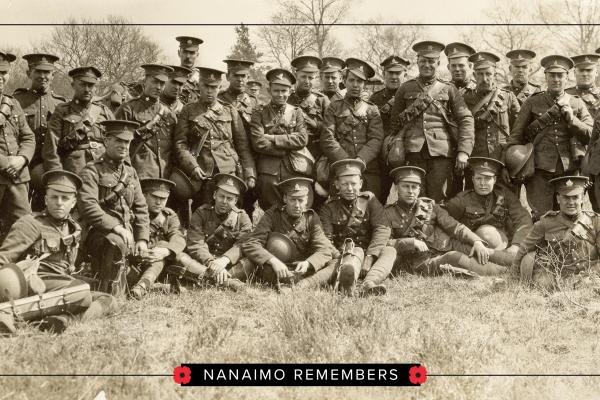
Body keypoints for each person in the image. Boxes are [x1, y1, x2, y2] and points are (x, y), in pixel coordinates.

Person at [0, 170, 117, 335]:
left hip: (62, 282)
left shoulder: (73, 227)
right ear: (46, 199)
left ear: (74, 202)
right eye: (54, 197)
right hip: (36, 282)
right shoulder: (31, 223)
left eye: (65, 198)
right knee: (82, 293)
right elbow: (3, 258)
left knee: (108, 299)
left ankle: (61, 321)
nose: (59, 203)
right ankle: (9, 313)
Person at [506, 55, 593, 221]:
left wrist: (572, 120)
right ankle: (541, 247)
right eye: (552, 75)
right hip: (540, 169)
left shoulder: (576, 103)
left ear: (567, 77)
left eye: (560, 75)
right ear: (545, 76)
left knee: (570, 215)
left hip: (569, 169)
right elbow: (516, 136)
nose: (556, 79)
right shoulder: (532, 102)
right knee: (541, 216)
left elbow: (590, 134)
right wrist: (510, 164)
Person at [388, 41, 475, 203]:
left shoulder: (449, 89)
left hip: (441, 155)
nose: (427, 65)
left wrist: (464, 151)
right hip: (412, 153)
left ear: (439, 63)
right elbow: (395, 123)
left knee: (439, 201)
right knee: (413, 200)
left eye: (431, 61)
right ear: (417, 62)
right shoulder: (405, 89)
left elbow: (466, 119)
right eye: (423, 61)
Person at [385, 166, 507, 276]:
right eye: (405, 186)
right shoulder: (387, 213)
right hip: (420, 261)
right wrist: (410, 242)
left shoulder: (429, 206)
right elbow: (385, 243)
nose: (410, 191)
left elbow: (454, 226)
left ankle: (519, 262)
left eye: (414, 187)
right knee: (453, 257)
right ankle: (507, 272)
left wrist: (477, 241)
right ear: (397, 188)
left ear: (419, 189)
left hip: (443, 246)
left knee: (479, 250)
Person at [78, 120, 150, 297]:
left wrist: (142, 239)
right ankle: (109, 293)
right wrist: (116, 228)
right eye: (119, 141)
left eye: (127, 142)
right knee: (115, 244)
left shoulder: (130, 172)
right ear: (106, 141)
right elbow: (88, 206)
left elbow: (141, 207)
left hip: (128, 232)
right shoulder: (92, 170)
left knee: (158, 252)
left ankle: (140, 284)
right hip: (98, 233)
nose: (124, 146)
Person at [174, 66, 256, 207]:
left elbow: (243, 146)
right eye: (206, 86)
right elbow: (180, 143)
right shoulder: (188, 110)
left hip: (228, 170)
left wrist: (249, 173)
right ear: (199, 85)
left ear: (220, 87)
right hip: (201, 171)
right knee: (202, 213)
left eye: (214, 87)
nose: (210, 91)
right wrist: (192, 166)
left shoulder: (230, 110)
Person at [317, 159, 396, 295]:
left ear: (360, 184)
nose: (349, 188)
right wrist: (339, 255)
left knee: (389, 251)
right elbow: (326, 239)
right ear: (336, 185)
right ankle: (348, 283)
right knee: (353, 256)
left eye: (353, 184)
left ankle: (369, 283)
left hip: (369, 251)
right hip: (346, 254)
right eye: (345, 184)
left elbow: (382, 228)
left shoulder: (369, 200)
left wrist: (371, 255)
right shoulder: (328, 207)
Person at [240, 177, 333, 291]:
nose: (297, 205)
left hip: (302, 269)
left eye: (301, 200)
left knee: (333, 265)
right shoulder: (272, 215)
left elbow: (324, 250)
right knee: (253, 264)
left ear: (307, 200)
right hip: (275, 269)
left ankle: (304, 284)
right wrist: (273, 261)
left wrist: (308, 263)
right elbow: (252, 243)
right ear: (285, 198)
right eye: (293, 199)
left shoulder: (311, 218)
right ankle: (298, 285)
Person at [513, 175, 600, 290]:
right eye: (566, 197)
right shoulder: (545, 223)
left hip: (590, 278)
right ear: (558, 198)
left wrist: (590, 276)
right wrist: (513, 273)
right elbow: (524, 248)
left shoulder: (595, 221)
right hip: (560, 280)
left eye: (575, 197)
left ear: (582, 198)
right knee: (542, 283)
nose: (571, 202)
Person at [444, 157, 532, 259]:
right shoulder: (462, 199)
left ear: (494, 179)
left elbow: (523, 219)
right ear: (472, 179)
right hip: (473, 247)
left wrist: (516, 245)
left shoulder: (505, 195)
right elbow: (444, 217)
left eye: (487, 179)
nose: (482, 183)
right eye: (479, 178)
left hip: (503, 245)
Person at [321, 58, 384, 199]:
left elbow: (376, 139)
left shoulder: (372, 109)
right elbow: (327, 138)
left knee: (370, 211)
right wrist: (346, 163)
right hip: (341, 169)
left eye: (360, 81)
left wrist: (360, 161)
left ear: (365, 84)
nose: (355, 85)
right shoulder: (333, 107)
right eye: (352, 80)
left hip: (367, 169)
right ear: (344, 81)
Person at [249, 68, 309, 210]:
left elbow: (302, 139)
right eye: (276, 91)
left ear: (290, 91)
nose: (280, 95)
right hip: (268, 171)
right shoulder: (259, 112)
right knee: (271, 209)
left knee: (295, 206)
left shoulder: (296, 112)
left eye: (284, 91)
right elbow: (258, 142)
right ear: (269, 90)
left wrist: (274, 138)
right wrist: (285, 149)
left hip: (294, 168)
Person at [13, 53, 66, 211]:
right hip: (21, 164)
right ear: (29, 73)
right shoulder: (17, 100)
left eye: (47, 72)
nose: (43, 76)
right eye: (38, 72)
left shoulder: (60, 103)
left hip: (50, 166)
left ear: (53, 75)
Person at [183, 173, 253, 291]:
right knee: (181, 257)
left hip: (228, 264)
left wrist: (224, 260)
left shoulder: (242, 217)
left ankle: (206, 279)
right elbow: (196, 243)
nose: (224, 201)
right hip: (204, 263)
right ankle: (227, 282)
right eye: (221, 196)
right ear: (215, 195)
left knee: (250, 262)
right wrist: (211, 263)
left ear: (236, 200)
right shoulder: (201, 213)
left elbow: (244, 244)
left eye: (229, 198)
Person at [462, 51, 520, 191]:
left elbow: (518, 131)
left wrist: (509, 162)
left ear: (494, 74)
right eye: (480, 74)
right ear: (474, 75)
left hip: (502, 160)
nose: (485, 78)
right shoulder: (464, 97)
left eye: (488, 74)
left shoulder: (508, 97)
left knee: (505, 204)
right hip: (475, 160)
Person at [43, 66, 114, 175]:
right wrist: (56, 174)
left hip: (103, 168)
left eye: (91, 85)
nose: (87, 89)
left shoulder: (105, 112)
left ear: (95, 87)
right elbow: (51, 147)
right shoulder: (62, 111)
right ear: (73, 85)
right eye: (82, 84)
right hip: (74, 169)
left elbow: (118, 141)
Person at [115, 64, 178, 179]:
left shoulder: (169, 114)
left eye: (162, 83)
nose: (159, 87)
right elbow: (117, 143)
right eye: (155, 82)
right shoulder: (128, 108)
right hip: (137, 174)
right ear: (145, 81)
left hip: (163, 176)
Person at [128, 178, 185, 299]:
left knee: (165, 246)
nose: (159, 202)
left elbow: (178, 237)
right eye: (155, 197)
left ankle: (143, 286)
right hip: (133, 262)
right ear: (144, 195)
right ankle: (149, 285)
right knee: (162, 245)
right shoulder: (132, 214)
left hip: (156, 263)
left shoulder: (169, 215)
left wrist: (166, 251)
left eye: (163, 199)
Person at [0, 51, 35, 232]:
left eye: (3, 73)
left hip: (18, 178)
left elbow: (28, 137)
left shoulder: (13, 103)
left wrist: (22, 159)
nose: (0, 77)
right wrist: (7, 163)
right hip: (6, 171)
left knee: (24, 229)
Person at [370, 55, 410, 202]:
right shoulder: (374, 99)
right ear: (384, 74)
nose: (394, 77)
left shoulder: (412, 97)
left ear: (405, 74)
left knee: (408, 198)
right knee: (378, 197)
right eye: (390, 73)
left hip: (407, 154)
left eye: (398, 73)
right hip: (382, 157)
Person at [175, 36, 203, 104]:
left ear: (197, 55)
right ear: (179, 53)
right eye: (185, 52)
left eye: (192, 53)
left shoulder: (202, 79)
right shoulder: (170, 75)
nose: (188, 56)